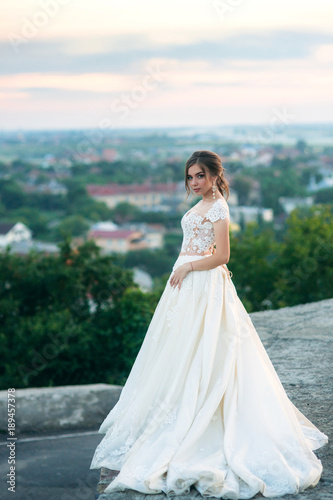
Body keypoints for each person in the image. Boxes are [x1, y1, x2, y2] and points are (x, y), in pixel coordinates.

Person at [90, 150, 328, 499]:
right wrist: (185, 269)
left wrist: (188, 267)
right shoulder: (203, 203)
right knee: (179, 351)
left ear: (215, 175)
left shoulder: (218, 207)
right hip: (186, 288)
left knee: (207, 348)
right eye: (190, 177)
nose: (194, 183)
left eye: (200, 175)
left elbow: (222, 255)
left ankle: (202, 418)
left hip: (200, 282)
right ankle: (178, 412)